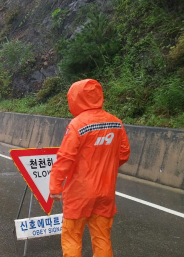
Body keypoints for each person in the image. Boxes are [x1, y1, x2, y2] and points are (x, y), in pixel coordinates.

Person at [49, 79, 130, 257]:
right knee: (102, 237)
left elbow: (65, 158)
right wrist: (106, 167)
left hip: (80, 192)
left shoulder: (78, 125)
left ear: (76, 98)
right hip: (106, 190)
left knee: (72, 237)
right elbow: (124, 153)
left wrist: (55, 186)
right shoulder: (116, 123)